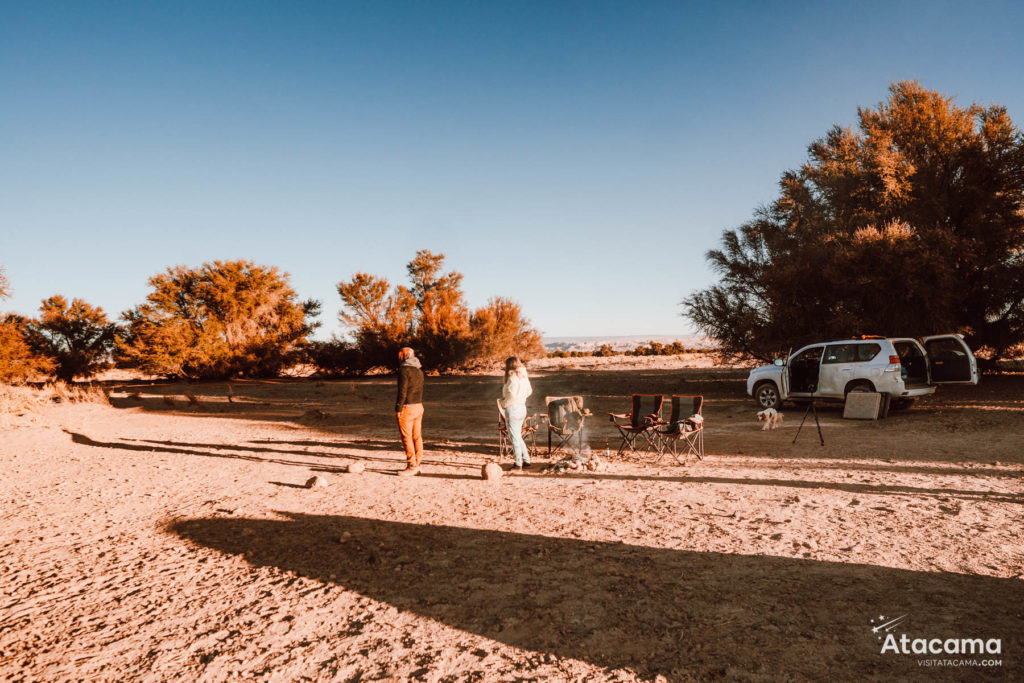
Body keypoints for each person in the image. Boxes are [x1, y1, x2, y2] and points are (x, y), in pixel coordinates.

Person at [395, 347, 424, 476]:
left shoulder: (403, 370)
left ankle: (411, 465)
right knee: (417, 436)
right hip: (419, 406)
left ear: (404, 356)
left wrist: (398, 408)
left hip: (407, 407)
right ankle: (418, 463)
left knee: (406, 438)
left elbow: (402, 391)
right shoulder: (419, 371)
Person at [501, 356, 533, 470]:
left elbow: (511, 395)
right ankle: (526, 460)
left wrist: (504, 404)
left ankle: (518, 463)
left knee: (514, 437)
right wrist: (522, 397)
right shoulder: (523, 377)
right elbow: (529, 391)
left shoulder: (512, 377)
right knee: (518, 436)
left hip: (513, 408)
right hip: (522, 407)